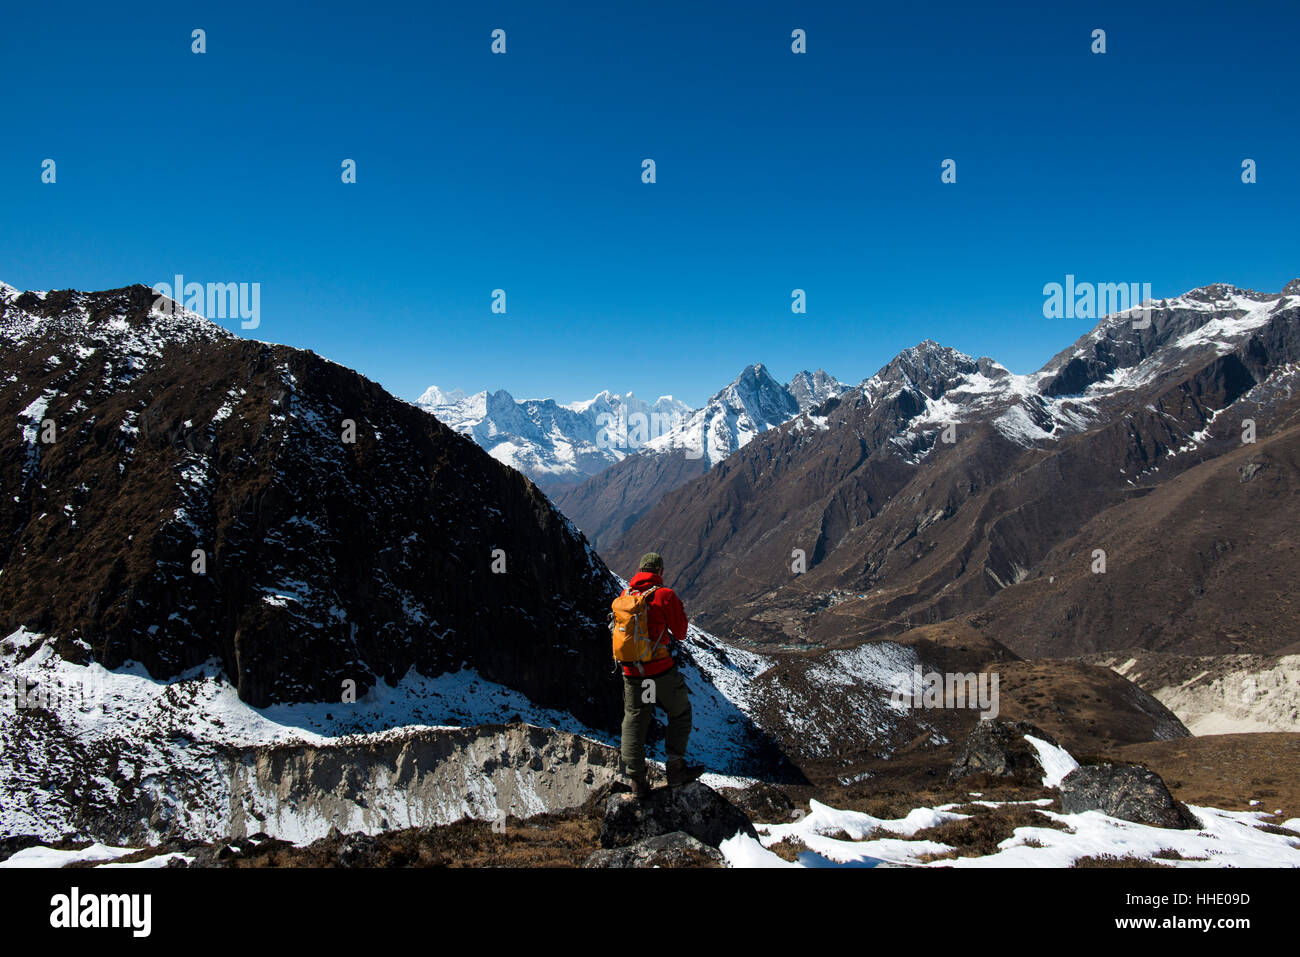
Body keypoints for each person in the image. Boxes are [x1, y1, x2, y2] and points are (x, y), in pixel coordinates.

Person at [618, 552, 704, 797]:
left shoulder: (625, 596)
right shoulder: (664, 595)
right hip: (659, 670)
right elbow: (680, 632)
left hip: (632, 672)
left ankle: (637, 782)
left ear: (640, 570)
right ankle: (675, 769)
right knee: (679, 711)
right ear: (660, 572)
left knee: (634, 720)